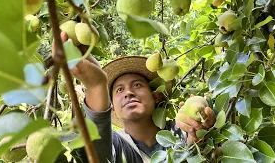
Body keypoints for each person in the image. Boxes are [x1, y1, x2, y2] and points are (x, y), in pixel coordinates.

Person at [55, 32, 216, 163]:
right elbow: (94, 155)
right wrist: (96, 86)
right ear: (114, 109)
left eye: (137, 85)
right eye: (119, 90)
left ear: (156, 96)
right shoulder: (116, 145)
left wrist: (202, 137)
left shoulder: (182, 130)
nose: (128, 93)